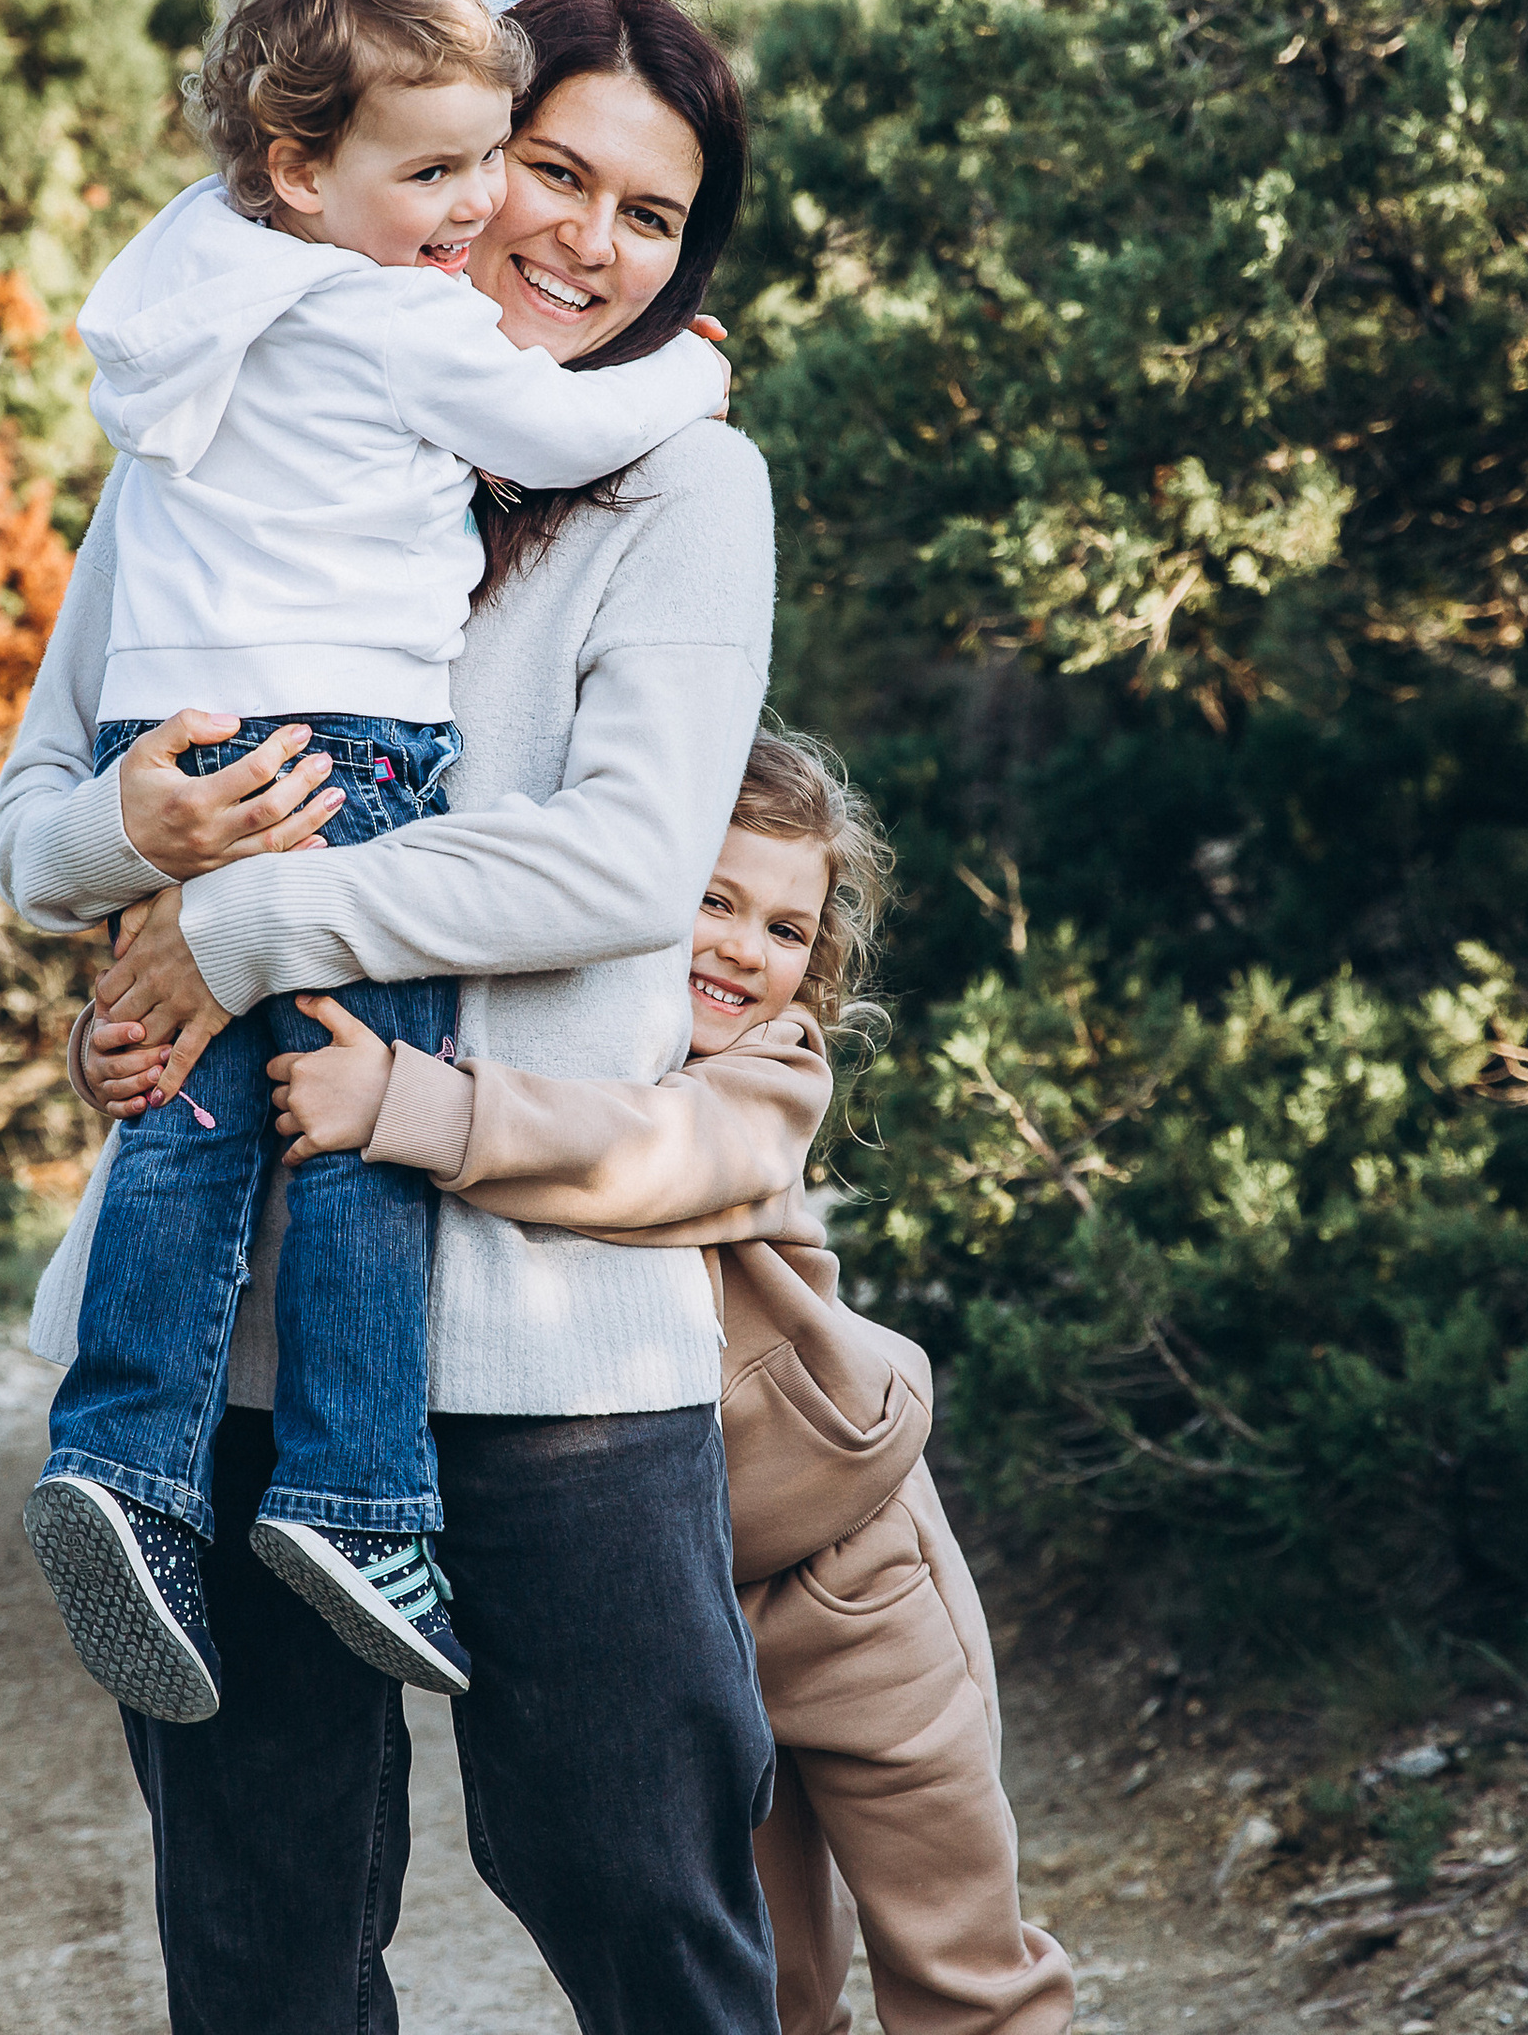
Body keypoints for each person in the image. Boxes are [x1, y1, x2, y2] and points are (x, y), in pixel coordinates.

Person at [0, 0, 784, 2033]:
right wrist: (135, 845)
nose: (581, 238)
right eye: (548, 169)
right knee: (260, 1960)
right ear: (446, 158)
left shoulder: (677, 490)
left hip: (560, 1351)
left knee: (649, 1928)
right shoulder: (229, 401)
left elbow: (616, 862)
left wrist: (243, 930)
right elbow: (28, 828)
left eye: (648, 214)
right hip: (231, 1357)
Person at [249, 728, 1077, 2035]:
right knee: (767, 1986)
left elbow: (652, 1159)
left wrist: (412, 1106)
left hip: (853, 1576)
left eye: (789, 927)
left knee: (962, 1964)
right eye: (714, 899)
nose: (748, 948)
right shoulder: (547, 1046)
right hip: (669, 1599)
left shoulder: (770, 1075)